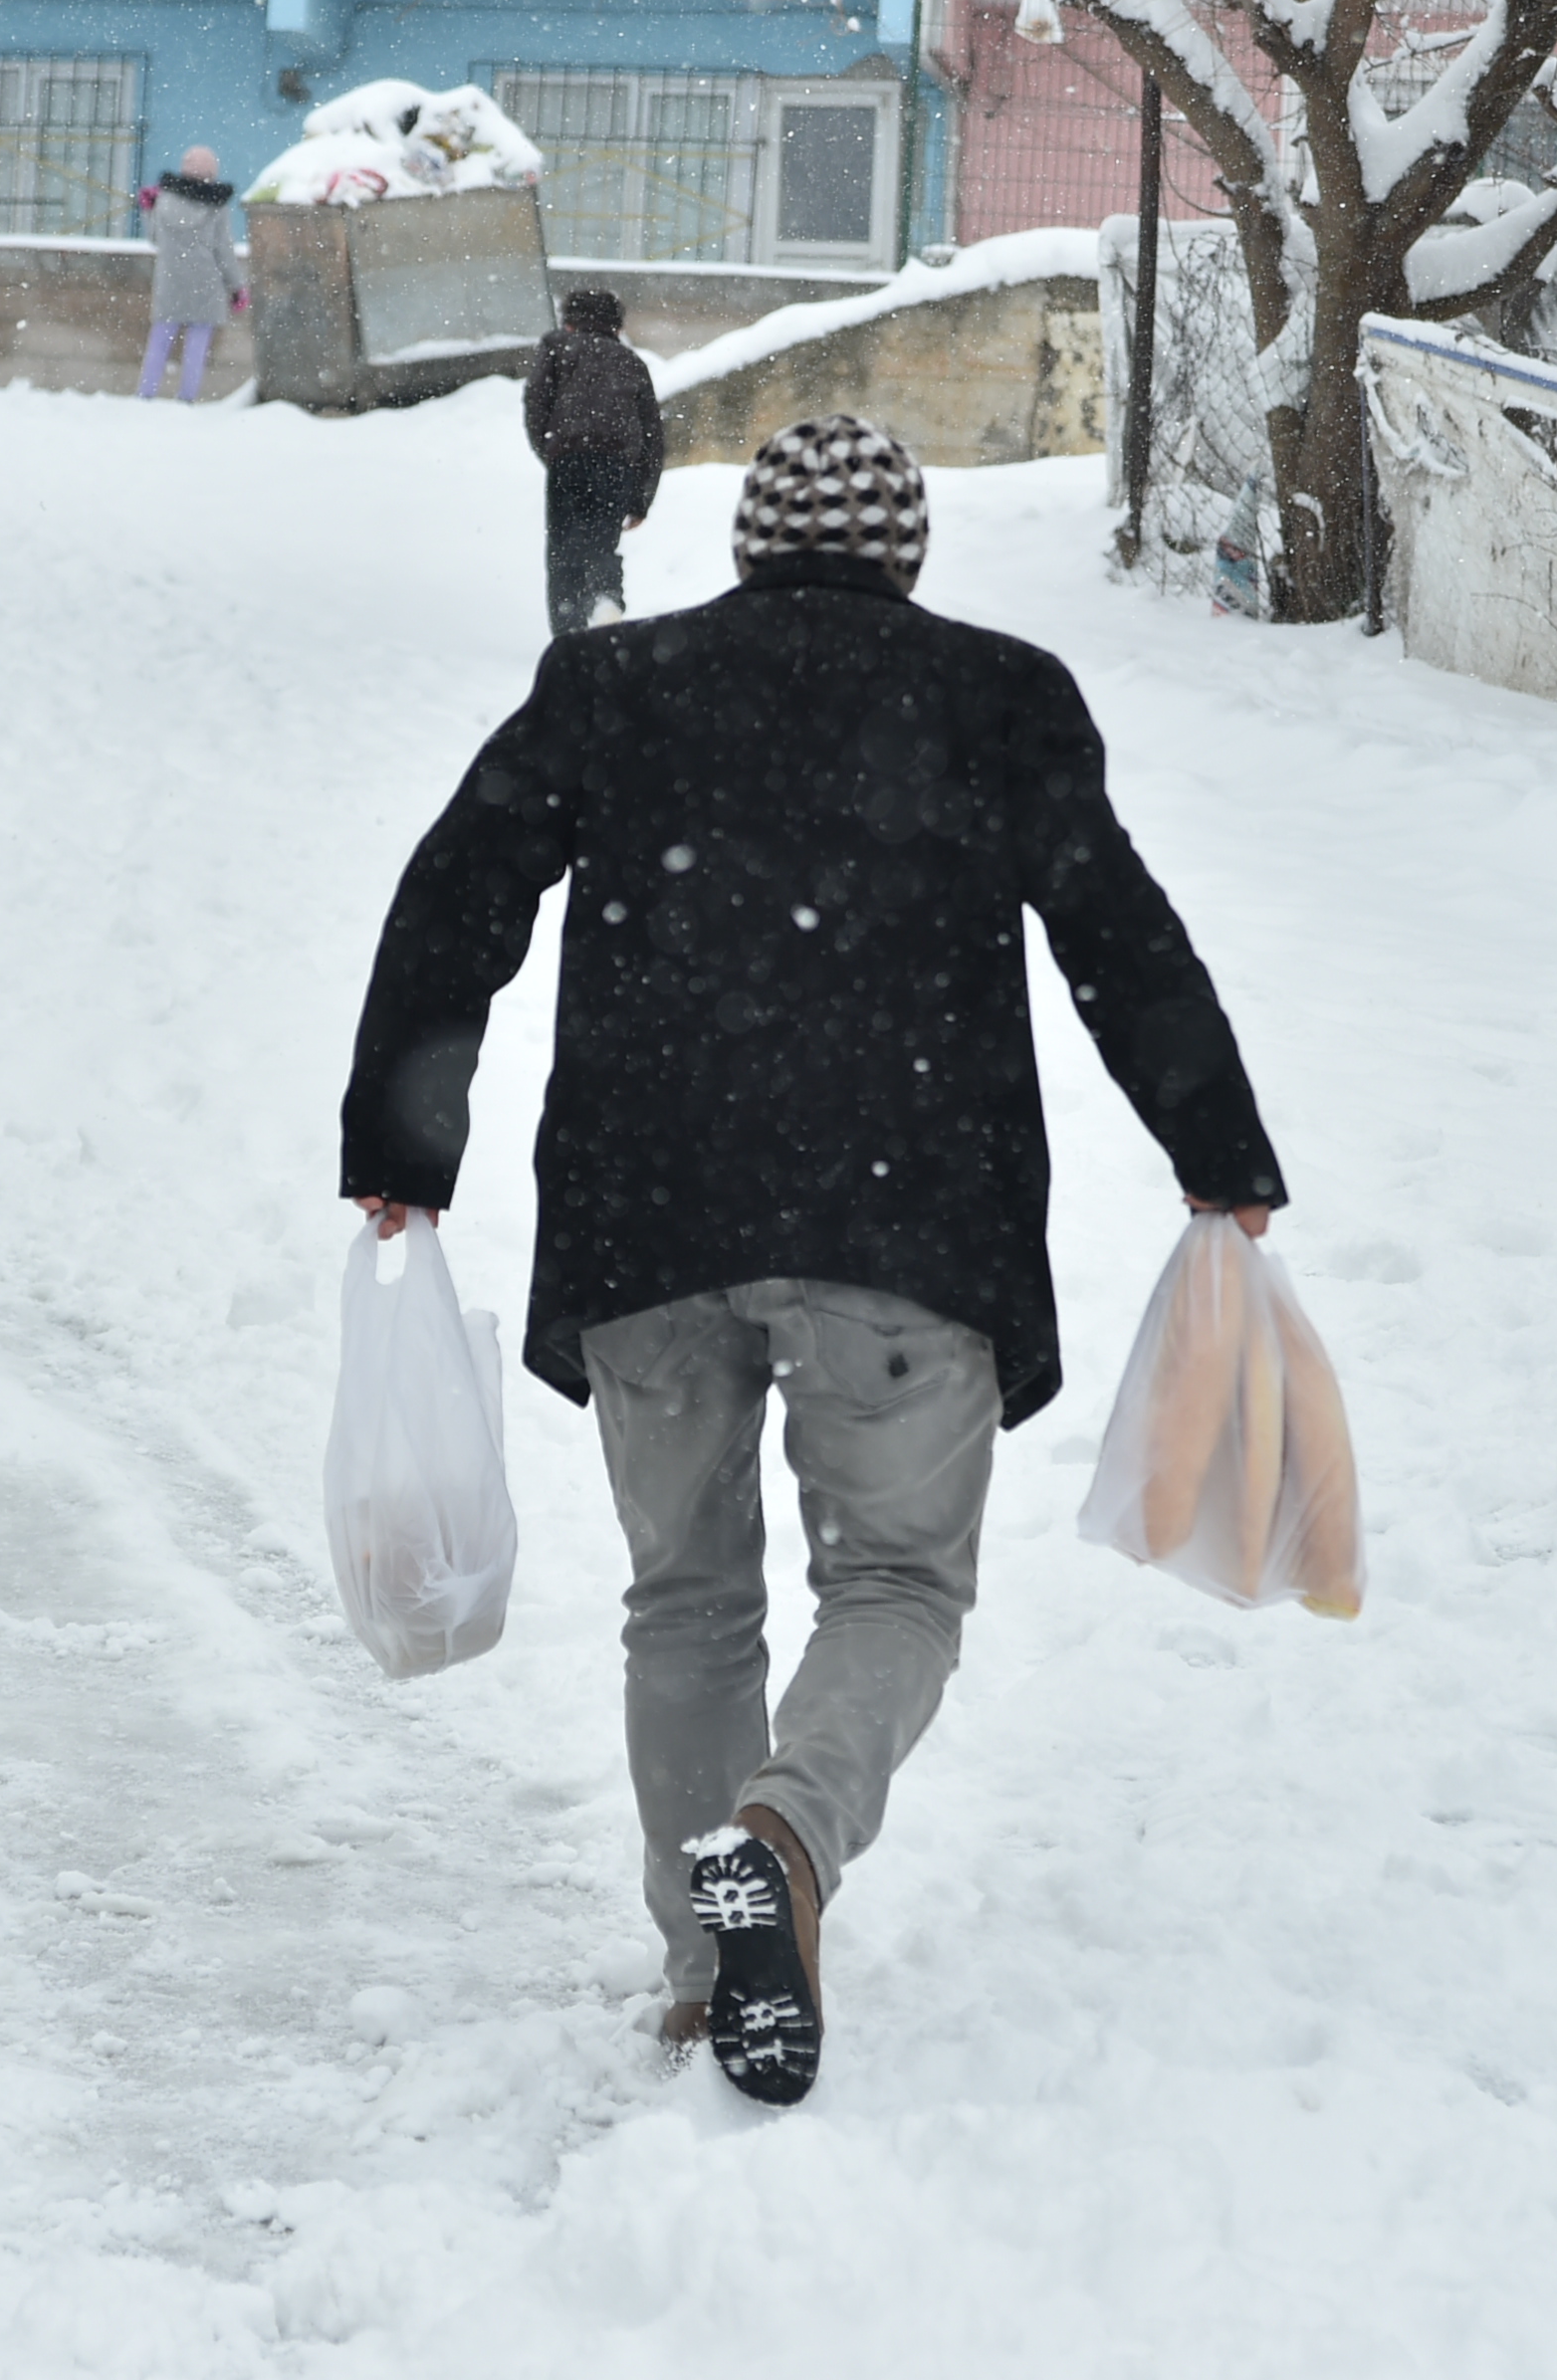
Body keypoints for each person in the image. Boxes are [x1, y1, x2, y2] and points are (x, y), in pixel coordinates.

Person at [337, 414, 1284, 2108]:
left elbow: (455, 896)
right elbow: (1117, 933)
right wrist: (1219, 1152)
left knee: (686, 1600)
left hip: (649, 1222)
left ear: (750, 545)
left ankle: (711, 1981)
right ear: (903, 551)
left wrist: (403, 1149)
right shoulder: (996, 696)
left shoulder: (614, 686)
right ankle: (783, 1838)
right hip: (905, 1226)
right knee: (896, 1588)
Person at [520, 289, 666, 634]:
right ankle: (605, 599)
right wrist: (641, 499)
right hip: (617, 465)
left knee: (563, 551)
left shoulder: (557, 347)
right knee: (601, 543)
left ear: (569, 321)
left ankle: (568, 630)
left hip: (569, 460)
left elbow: (536, 404)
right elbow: (652, 437)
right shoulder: (631, 362)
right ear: (616, 326)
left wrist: (553, 452)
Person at [136, 145, 244, 403]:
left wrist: (148, 210)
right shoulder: (217, 205)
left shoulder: (164, 199)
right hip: (206, 282)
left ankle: (146, 393)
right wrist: (237, 286)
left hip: (170, 280)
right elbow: (223, 250)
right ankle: (186, 396)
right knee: (197, 343)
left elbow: (154, 239)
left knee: (160, 339)